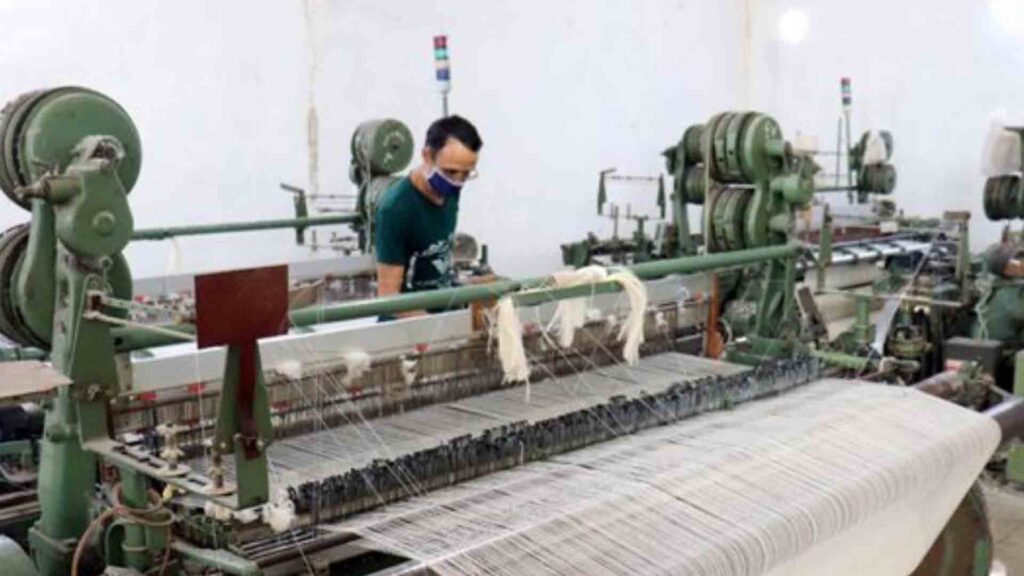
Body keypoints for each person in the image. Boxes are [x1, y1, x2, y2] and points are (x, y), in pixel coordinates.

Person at [375, 115, 483, 318]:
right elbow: (388, 298)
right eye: (450, 172)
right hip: (408, 324)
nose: (457, 182)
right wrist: (432, 327)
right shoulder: (396, 209)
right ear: (427, 156)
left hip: (441, 310)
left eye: (466, 174)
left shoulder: (450, 190)